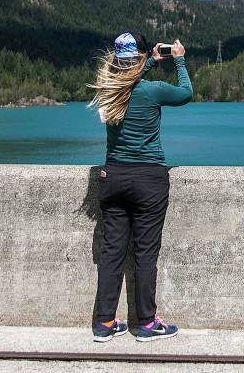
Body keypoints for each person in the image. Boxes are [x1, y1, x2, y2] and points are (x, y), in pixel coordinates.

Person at [88, 31, 192, 343]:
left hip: (113, 178)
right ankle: (146, 324)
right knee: (145, 253)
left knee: (111, 253)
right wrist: (179, 60)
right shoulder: (154, 91)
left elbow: (126, 85)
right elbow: (186, 92)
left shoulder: (108, 93)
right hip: (149, 180)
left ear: (114, 61)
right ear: (139, 59)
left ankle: (104, 323)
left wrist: (146, 65)